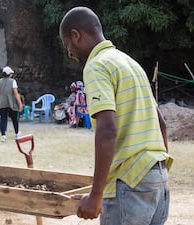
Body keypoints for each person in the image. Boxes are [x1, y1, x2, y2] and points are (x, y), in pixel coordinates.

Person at [59, 7, 173, 224]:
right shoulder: (130, 63)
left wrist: (96, 195)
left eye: (68, 45)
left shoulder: (97, 66)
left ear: (76, 35)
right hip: (157, 178)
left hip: (128, 182)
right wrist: (155, 176)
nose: (70, 53)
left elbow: (108, 129)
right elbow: (162, 124)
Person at [0, 66, 23, 142]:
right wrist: (20, 104)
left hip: (2, 102)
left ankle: (3, 135)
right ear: (9, 74)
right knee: (14, 118)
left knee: (3, 119)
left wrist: (1, 99)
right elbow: (15, 93)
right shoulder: (13, 81)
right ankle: (17, 133)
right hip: (11, 102)